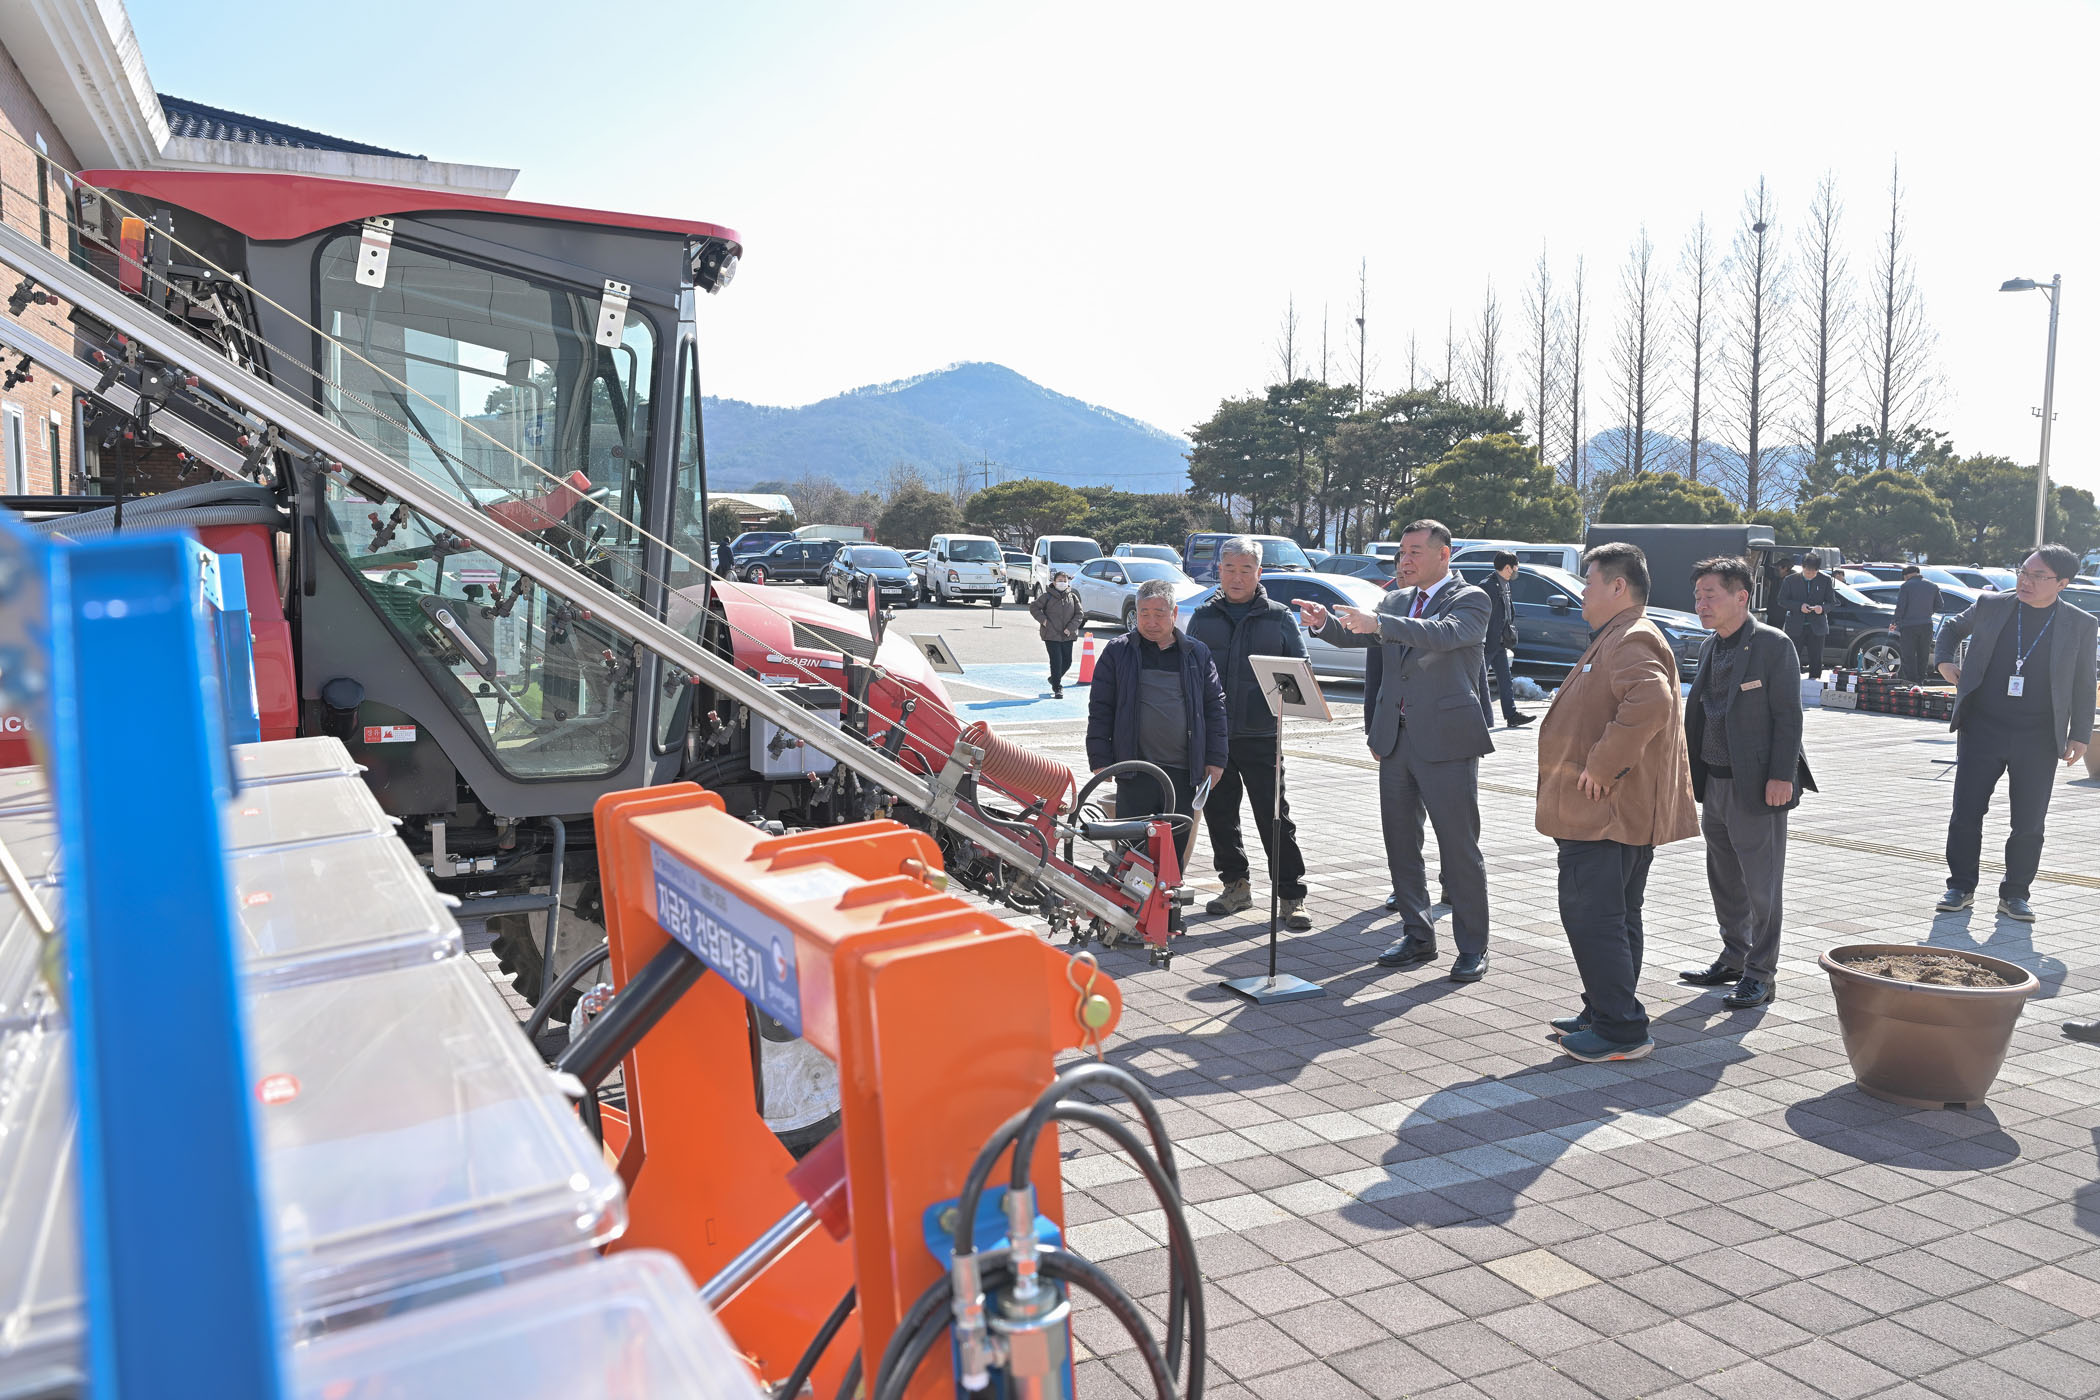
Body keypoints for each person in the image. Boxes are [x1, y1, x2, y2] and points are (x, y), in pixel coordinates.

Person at [1295, 519, 1494, 982]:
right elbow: (1365, 636)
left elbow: (1443, 633)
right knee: (1401, 845)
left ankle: (1473, 946)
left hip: (1447, 741)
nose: (1405, 560)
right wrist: (1325, 623)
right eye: (1402, 552)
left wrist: (1381, 622)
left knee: (1459, 849)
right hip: (1396, 739)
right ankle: (1417, 935)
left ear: (1444, 554)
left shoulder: (1471, 599)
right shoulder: (1397, 600)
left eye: (1414, 552)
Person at [1534, 542, 1697, 1062]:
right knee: (1616, 916)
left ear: (1618, 587)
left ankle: (1621, 1028)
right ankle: (1606, 1009)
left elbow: (1650, 702)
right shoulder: (1621, 634)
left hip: (1605, 812)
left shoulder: (1630, 637)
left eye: (1589, 583)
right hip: (1613, 813)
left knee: (1595, 918)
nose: (1582, 593)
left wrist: (1602, 767)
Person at [1679, 557, 1817, 1010]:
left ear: (1741, 596)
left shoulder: (1773, 645)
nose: (1701, 604)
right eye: (1698, 596)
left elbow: (1788, 716)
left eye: (1710, 595)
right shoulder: (1710, 646)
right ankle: (1734, 956)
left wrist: (1781, 775)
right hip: (1714, 781)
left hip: (1757, 785)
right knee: (1724, 879)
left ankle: (1761, 974)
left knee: (1762, 885)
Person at [1931, 545, 2096, 923]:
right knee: (1966, 813)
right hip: (1982, 728)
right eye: (2023, 572)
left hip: (2039, 736)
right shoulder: (1992, 605)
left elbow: (2085, 683)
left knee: (2028, 822)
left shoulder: (2080, 624)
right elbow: (1951, 627)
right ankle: (1960, 887)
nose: (2026, 581)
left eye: (2038, 576)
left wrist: (2080, 734)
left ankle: (2016, 894)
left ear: (2062, 583)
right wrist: (1943, 661)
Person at [1185, 536, 1312, 929]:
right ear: (1218, 571)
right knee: (1220, 816)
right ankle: (1235, 886)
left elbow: (1301, 672)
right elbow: (1188, 674)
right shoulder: (1203, 617)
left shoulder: (1279, 617)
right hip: (1215, 739)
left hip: (1261, 736)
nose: (1236, 577)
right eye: (1229, 569)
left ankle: (1291, 896)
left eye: (1245, 569)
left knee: (1274, 817)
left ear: (1259, 573)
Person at [1084, 579, 1229, 865]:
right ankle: (1129, 895)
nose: (1151, 622)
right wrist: (1100, 759)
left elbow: (1215, 708)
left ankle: (1168, 894)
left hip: (1183, 773)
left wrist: (1216, 759)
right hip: (1134, 769)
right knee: (1131, 852)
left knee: (1174, 851)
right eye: (1144, 613)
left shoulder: (1196, 653)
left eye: (1159, 614)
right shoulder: (1118, 651)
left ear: (1174, 613)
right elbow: (1100, 708)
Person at [1479, 552, 1534, 731]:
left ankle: (1511, 715)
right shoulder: (1487, 586)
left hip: (1500, 642)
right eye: (1516, 567)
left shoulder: (1505, 584)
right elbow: (1481, 615)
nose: (1517, 571)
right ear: (1508, 567)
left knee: (1505, 680)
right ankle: (1479, 718)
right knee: (1480, 682)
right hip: (1487, 643)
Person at [1776, 555, 1836, 679]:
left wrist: (1822, 608)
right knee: (1792, 658)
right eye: (1808, 572)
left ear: (1818, 570)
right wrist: (1799, 606)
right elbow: (1781, 600)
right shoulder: (1790, 580)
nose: (1810, 575)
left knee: (1816, 658)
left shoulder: (1825, 580)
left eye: (1814, 572)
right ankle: (1792, 682)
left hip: (1817, 626)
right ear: (1802, 567)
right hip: (1795, 625)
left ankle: (1815, 682)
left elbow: (1832, 603)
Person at [1029, 568, 1085, 698]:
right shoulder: (1047, 596)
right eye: (1060, 580)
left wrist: (1070, 628)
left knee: (1067, 662)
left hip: (1068, 635)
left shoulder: (1073, 597)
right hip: (1051, 634)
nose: (1062, 583)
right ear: (1054, 582)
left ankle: (1054, 678)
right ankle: (1057, 687)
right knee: (1056, 661)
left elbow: (1079, 614)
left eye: (1064, 581)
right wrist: (1044, 621)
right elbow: (1034, 607)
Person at [1889, 565, 1942, 683]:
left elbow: (1900, 607)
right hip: (1927, 625)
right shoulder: (1932, 586)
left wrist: (1895, 621)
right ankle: (1921, 680)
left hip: (1908, 626)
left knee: (1909, 655)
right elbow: (1940, 605)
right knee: (1923, 654)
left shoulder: (1906, 586)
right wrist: (1928, 612)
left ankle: (1911, 681)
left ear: (1907, 575)